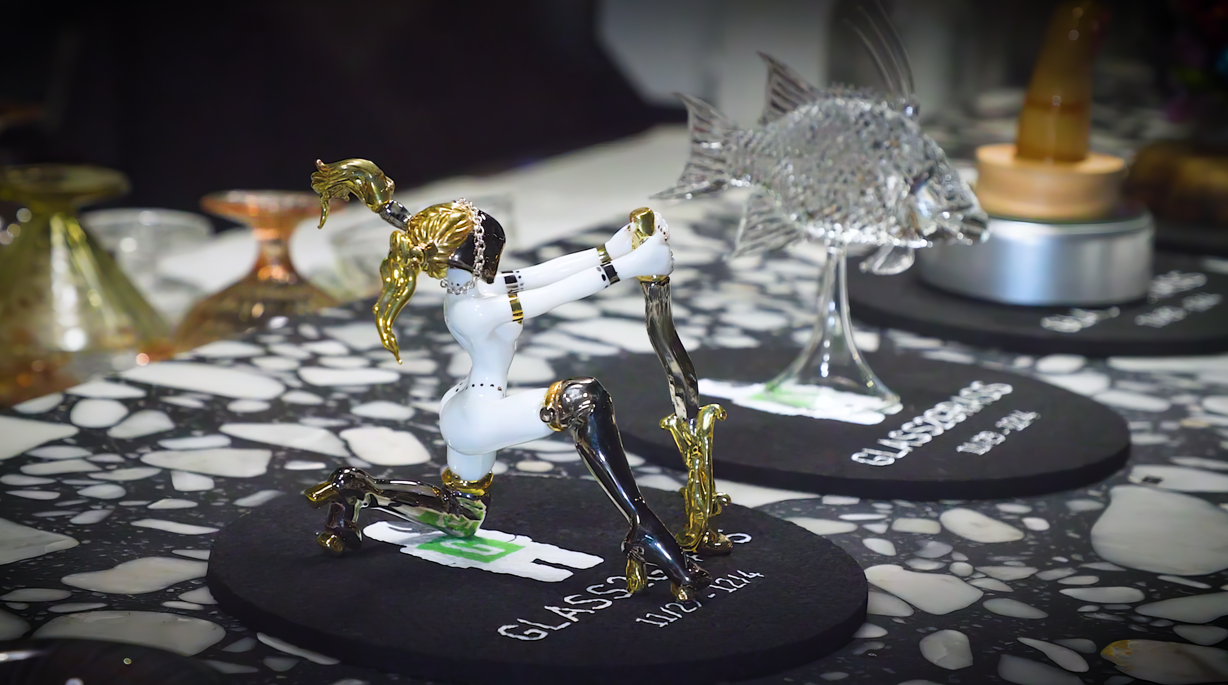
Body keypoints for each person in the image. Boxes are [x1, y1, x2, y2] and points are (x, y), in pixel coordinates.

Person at [305, 159, 709, 601]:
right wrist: (629, 266)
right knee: (585, 399)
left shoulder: (471, 290)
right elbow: (549, 296)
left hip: (467, 407)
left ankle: (358, 490)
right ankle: (642, 525)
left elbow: (537, 276)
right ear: (476, 253)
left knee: (462, 516)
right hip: (481, 415)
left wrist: (607, 253)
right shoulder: (475, 308)